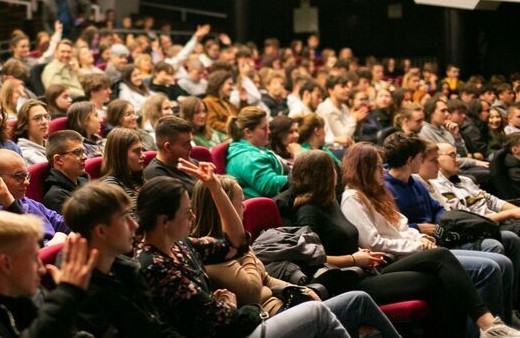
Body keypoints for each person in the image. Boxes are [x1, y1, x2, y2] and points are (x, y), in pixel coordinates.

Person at [136, 169, 350, 337]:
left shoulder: (181, 245)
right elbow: (227, 318)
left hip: (237, 324)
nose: (192, 216)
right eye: (186, 212)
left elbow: (236, 244)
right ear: (164, 221)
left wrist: (215, 187)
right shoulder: (155, 266)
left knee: (353, 300)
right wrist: (236, 308)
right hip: (233, 330)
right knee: (318, 314)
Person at [337, 144, 520, 337]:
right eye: (377, 166)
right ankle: (485, 330)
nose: (383, 171)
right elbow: (373, 242)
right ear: (364, 169)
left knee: (501, 262)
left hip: (413, 252)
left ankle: (501, 324)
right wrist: (416, 245)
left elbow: (402, 226)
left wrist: (421, 237)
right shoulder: (353, 198)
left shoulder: (377, 193)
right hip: (389, 261)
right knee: (485, 267)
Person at [192, 174, 401, 337]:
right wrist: (244, 249)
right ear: (221, 209)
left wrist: (298, 289)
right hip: (268, 320)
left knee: (359, 302)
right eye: (239, 203)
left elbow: (265, 277)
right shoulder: (213, 255)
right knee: (357, 301)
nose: (244, 208)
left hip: (284, 306)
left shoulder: (229, 248)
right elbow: (253, 292)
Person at [0, 212, 98, 336]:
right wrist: (66, 296)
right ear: (6, 264)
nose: (42, 269)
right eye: (34, 258)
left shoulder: (29, 290)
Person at [63, 182, 181, 336]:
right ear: (101, 231)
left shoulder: (127, 269)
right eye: (125, 218)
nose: (135, 225)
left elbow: (157, 328)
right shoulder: (82, 298)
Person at [0, 150, 70, 246]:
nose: (27, 182)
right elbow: (28, 247)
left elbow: (64, 224)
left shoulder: (27, 202)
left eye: (26, 176)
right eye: (19, 177)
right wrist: (58, 239)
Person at [226, 107, 288, 198]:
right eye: (264, 128)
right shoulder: (248, 157)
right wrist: (298, 178)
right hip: (265, 207)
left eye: (268, 127)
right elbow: (270, 186)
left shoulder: (255, 150)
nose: (269, 132)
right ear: (248, 132)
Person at [144, 116, 198, 194]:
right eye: (186, 144)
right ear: (168, 147)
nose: (191, 148)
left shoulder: (191, 163)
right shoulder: (155, 176)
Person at [100, 128, 147, 212]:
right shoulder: (111, 187)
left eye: (142, 150)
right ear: (120, 155)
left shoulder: (138, 179)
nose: (143, 155)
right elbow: (129, 223)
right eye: (137, 151)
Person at [43, 130, 90, 212]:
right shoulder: (56, 196)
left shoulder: (84, 180)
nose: (85, 157)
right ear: (58, 160)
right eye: (78, 152)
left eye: (84, 151)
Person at [317, 75, 365, 148]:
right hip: (331, 149)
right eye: (343, 87)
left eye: (347, 86)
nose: (348, 90)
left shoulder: (344, 107)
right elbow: (342, 137)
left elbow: (351, 135)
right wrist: (354, 118)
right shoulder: (327, 109)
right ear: (331, 90)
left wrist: (358, 122)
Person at [15, 100, 50, 166]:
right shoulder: (26, 154)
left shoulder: (51, 145)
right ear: (25, 125)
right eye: (37, 118)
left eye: (46, 116)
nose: (44, 121)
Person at [203, 70, 238, 136]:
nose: (232, 88)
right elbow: (211, 124)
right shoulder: (208, 102)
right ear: (220, 84)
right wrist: (233, 128)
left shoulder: (229, 103)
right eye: (229, 84)